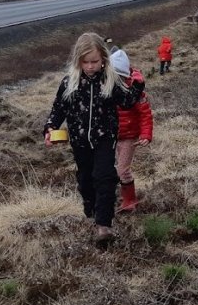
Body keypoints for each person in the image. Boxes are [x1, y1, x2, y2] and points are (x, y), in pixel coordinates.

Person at [44, 32, 144, 242]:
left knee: (105, 177)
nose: (90, 66)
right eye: (85, 62)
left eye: (95, 61)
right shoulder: (69, 83)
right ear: (78, 60)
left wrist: (137, 85)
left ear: (104, 60)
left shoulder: (110, 80)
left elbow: (127, 101)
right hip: (80, 142)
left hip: (104, 139)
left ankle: (104, 226)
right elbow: (58, 109)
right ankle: (90, 207)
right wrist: (50, 128)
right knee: (86, 181)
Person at [110, 49, 153, 213]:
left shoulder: (135, 92)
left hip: (129, 137)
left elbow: (145, 114)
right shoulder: (107, 88)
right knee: (111, 169)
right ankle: (122, 198)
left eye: (120, 77)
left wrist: (145, 135)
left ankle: (129, 200)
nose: (117, 80)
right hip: (112, 135)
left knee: (122, 169)